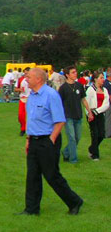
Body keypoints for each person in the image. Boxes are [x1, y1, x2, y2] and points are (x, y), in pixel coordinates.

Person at [18, 68, 83, 216]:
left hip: (47, 140)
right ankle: (31, 209)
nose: (26, 79)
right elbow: (32, 119)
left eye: (29, 77)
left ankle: (74, 201)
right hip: (34, 140)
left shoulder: (51, 95)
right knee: (32, 175)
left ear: (39, 79)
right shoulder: (32, 96)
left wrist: (51, 139)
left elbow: (60, 120)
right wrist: (29, 139)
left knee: (52, 175)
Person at [58, 66, 93, 164]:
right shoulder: (63, 88)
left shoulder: (79, 86)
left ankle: (65, 152)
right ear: (67, 75)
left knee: (77, 138)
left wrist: (89, 111)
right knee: (72, 138)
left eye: (75, 72)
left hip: (78, 115)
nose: (75, 73)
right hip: (68, 116)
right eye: (73, 72)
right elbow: (59, 103)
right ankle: (73, 159)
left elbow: (83, 99)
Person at [85, 71, 110, 160]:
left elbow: (106, 104)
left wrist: (98, 111)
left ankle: (92, 148)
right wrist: (89, 113)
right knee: (95, 134)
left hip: (99, 114)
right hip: (92, 114)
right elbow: (86, 103)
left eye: (103, 78)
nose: (103, 80)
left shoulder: (104, 90)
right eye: (101, 78)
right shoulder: (91, 89)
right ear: (95, 79)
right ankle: (95, 155)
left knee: (101, 134)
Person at [14, 67, 30, 136]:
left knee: (31, 116)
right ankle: (23, 128)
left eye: (27, 73)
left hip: (30, 99)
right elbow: (15, 89)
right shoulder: (20, 79)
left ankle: (29, 130)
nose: (26, 74)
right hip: (22, 98)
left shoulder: (33, 79)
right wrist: (20, 89)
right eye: (25, 73)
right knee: (21, 115)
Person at [103, 69, 111, 138]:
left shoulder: (106, 82)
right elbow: (109, 95)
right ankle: (107, 133)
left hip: (106, 103)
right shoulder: (108, 84)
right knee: (107, 118)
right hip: (108, 103)